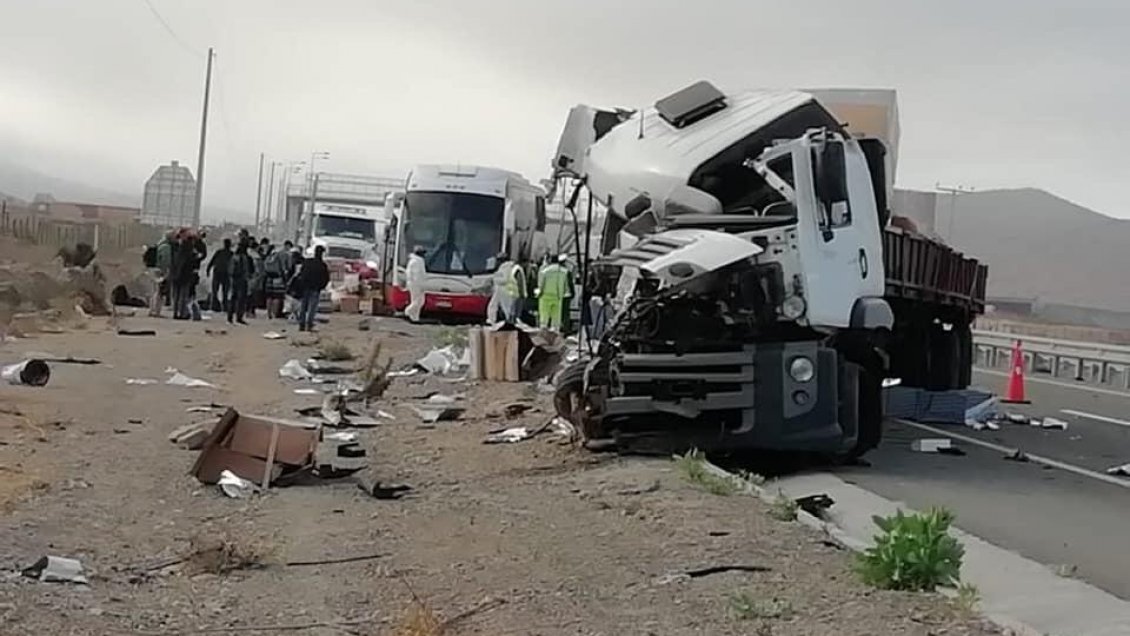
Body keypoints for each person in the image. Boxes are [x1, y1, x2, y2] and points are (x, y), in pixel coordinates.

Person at [295, 245, 330, 331]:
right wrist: (322, 286)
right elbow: (326, 278)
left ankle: (301, 324)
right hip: (316, 288)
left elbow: (301, 273)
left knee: (303, 306)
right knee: (312, 307)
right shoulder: (323, 265)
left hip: (305, 287)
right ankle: (309, 324)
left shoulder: (308, 262)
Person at [536, 254, 570, 330]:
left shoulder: (545, 271)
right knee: (556, 321)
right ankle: (554, 337)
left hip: (545, 297)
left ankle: (543, 336)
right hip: (558, 297)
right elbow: (565, 285)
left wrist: (539, 293)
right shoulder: (564, 272)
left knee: (544, 320)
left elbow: (541, 285)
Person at [148, 231, 175, 317]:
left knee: (154, 291)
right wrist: (166, 271)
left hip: (154, 269)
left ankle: (152, 310)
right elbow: (166, 261)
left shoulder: (160, 244)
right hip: (161, 271)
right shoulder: (167, 247)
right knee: (159, 292)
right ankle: (156, 311)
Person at [227, 242, 253, 325]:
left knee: (233, 298)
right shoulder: (245, 258)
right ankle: (239, 317)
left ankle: (230, 317)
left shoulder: (234, 257)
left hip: (234, 279)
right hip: (242, 279)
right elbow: (249, 270)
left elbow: (230, 269)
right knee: (241, 299)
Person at [486, 252, 513, 324]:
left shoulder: (507, 268)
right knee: (493, 305)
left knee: (507, 307)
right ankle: (491, 320)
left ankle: (509, 321)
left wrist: (495, 279)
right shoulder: (502, 268)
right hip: (499, 290)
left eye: (499, 260)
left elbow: (505, 280)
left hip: (504, 290)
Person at [207, 238, 233, 312]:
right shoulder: (230, 253)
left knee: (216, 290)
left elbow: (212, 261)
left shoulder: (219, 252)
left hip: (219, 272)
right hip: (224, 274)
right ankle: (223, 307)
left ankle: (215, 306)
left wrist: (208, 270)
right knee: (223, 291)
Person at [404, 245, 427, 323]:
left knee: (416, 301)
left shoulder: (414, 261)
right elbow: (417, 275)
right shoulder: (417, 261)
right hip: (416, 284)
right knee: (419, 301)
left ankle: (415, 317)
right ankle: (408, 311)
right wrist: (420, 286)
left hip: (414, 283)